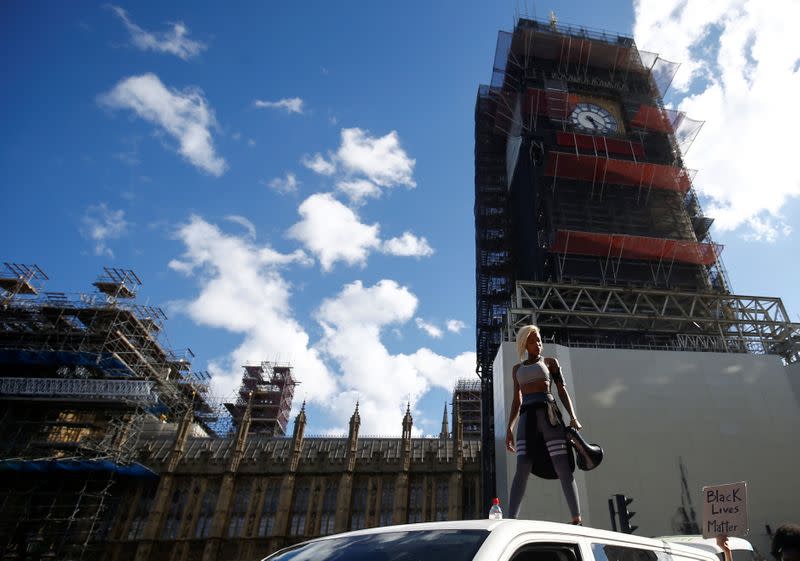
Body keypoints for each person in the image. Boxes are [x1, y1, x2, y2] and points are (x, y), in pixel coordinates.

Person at [505, 324, 583, 524]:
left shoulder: (550, 363)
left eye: (539, 340)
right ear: (525, 344)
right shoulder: (517, 369)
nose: (538, 344)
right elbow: (517, 401)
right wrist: (509, 429)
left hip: (550, 416)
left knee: (562, 465)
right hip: (526, 419)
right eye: (533, 341)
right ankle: (511, 519)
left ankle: (576, 517)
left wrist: (573, 417)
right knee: (522, 467)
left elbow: (562, 391)